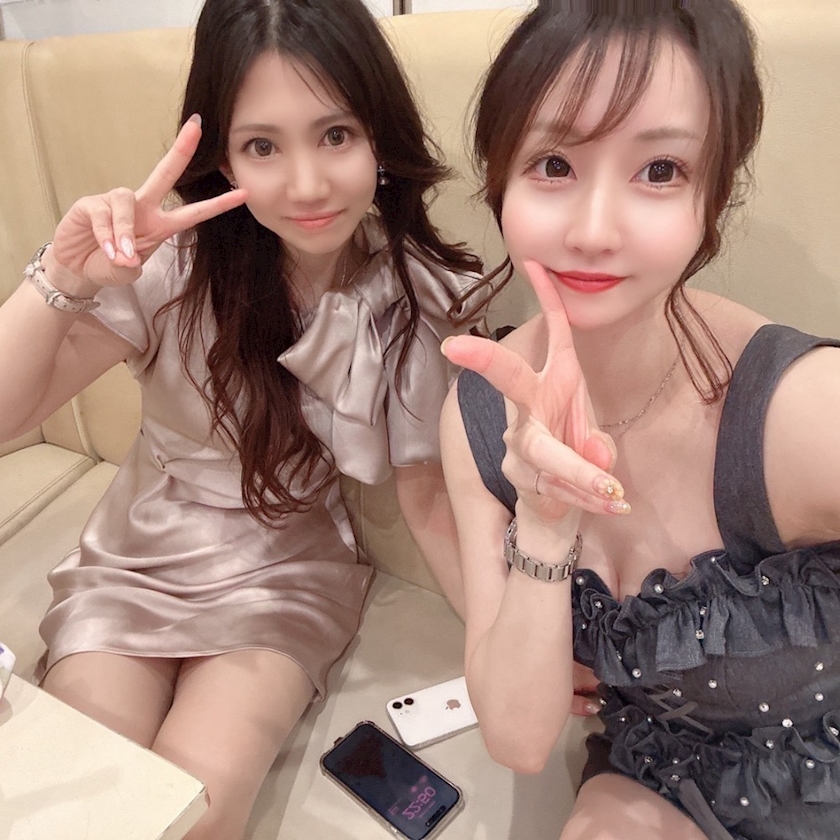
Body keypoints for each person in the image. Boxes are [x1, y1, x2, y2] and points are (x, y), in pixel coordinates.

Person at [0, 0, 486, 837]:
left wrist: (507, 645)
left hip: (283, 574)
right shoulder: (169, 269)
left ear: (379, 135)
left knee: (191, 817)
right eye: (263, 146)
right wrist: (63, 277)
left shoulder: (413, 295)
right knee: (80, 805)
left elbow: (428, 495)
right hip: (134, 562)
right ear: (222, 157)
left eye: (335, 134)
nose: (306, 184)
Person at [440, 1, 840, 838]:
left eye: (660, 170)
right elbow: (518, 738)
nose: (593, 231)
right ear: (500, 179)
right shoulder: (480, 412)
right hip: (658, 769)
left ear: (712, 197)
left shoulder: (800, 412)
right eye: (554, 163)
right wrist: (545, 522)